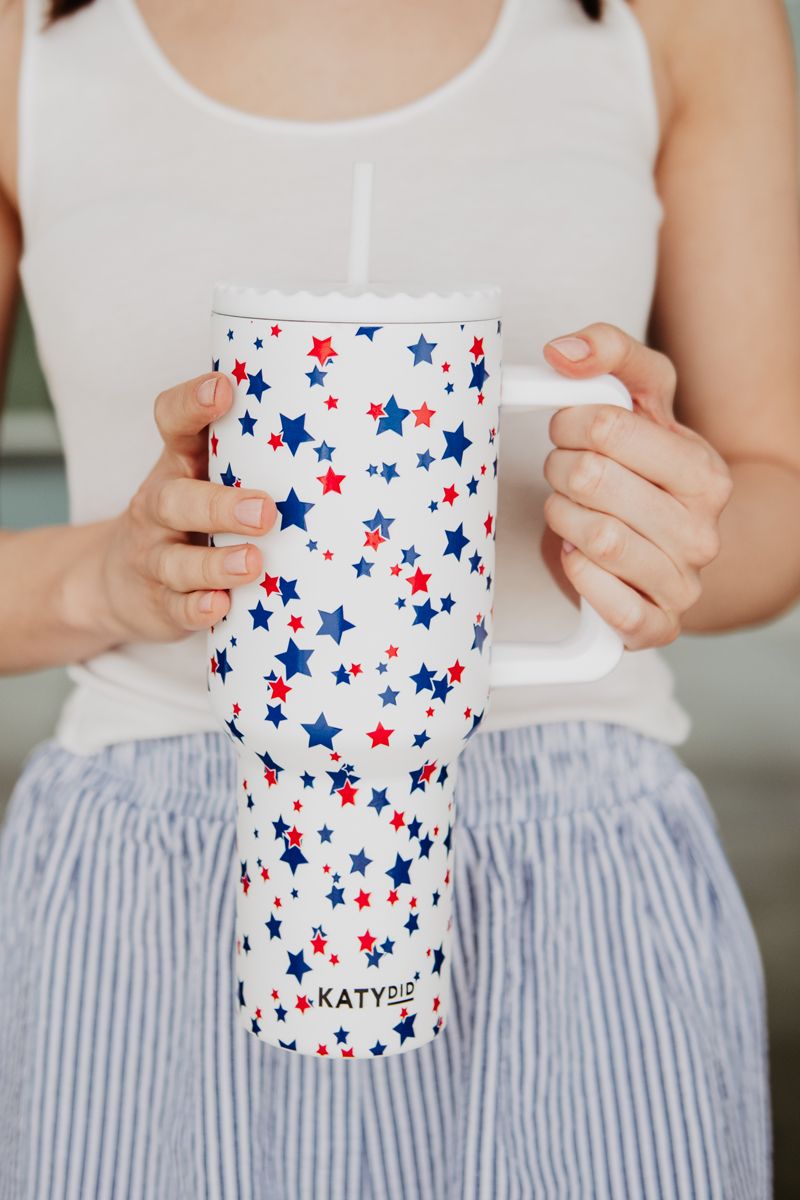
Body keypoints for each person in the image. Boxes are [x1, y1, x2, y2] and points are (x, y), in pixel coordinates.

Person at [0, 0, 797, 1194]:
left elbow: (774, 499)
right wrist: (109, 574)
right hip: (143, 894)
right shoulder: (26, 36)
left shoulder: (687, 18)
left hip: (574, 884)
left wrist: (656, 526)